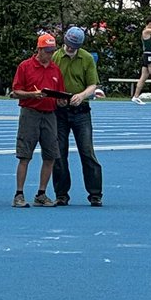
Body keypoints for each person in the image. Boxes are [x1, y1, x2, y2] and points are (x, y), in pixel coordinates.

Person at [10, 32, 66, 207]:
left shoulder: (55, 70)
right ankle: (19, 194)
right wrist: (33, 94)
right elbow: (15, 92)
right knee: (24, 155)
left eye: (52, 51)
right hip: (30, 113)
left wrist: (62, 101)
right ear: (39, 49)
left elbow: (60, 94)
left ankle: (41, 193)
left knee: (50, 155)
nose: (49, 54)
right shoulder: (25, 66)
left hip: (50, 114)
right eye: (47, 51)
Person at [52, 26, 103, 206]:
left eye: (75, 46)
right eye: (68, 44)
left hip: (81, 110)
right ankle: (61, 194)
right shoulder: (56, 57)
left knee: (87, 152)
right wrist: (58, 99)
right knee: (58, 154)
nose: (71, 48)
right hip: (60, 111)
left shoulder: (87, 58)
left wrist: (82, 95)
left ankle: (95, 194)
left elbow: (92, 85)